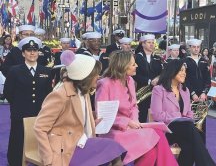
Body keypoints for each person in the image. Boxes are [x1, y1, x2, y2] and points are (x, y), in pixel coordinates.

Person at [34, 50, 126, 166]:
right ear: (85, 76)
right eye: (95, 75)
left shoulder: (84, 91)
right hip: (67, 149)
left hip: (82, 142)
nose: (98, 77)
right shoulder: (60, 95)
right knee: (112, 148)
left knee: (113, 153)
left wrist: (92, 119)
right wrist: (48, 159)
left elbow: (76, 119)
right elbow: (40, 128)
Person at [96, 51, 178, 166]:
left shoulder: (130, 81)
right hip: (113, 131)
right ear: (123, 66)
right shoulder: (105, 84)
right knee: (156, 138)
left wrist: (134, 121)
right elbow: (102, 117)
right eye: (133, 64)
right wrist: (127, 122)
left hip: (130, 128)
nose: (137, 66)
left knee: (155, 140)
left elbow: (134, 106)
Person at [151, 59, 216, 166]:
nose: (184, 73)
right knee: (193, 132)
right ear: (172, 71)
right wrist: (178, 116)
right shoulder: (158, 90)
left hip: (184, 129)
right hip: (167, 129)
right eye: (181, 70)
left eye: (185, 71)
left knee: (189, 145)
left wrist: (189, 117)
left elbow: (189, 112)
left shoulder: (185, 91)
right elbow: (157, 115)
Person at [4, 37, 53, 166]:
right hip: (20, 113)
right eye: (28, 50)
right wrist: (19, 105)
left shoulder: (47, 71)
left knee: (40, 140)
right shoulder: (14, 71)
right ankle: (15, 162)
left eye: (35, 50)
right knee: (18, 140)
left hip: (40, 113)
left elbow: (49, 94)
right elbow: (8, 92)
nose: (32, 53)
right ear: (23, 53)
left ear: (38, 52)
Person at [133, 34, 163, 122]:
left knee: (155, 115)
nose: (152, 45)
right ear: (143, 44)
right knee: (141, 115)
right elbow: (135, 75)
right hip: (142, 91)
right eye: (149, 43)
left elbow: (162, 72)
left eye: (153, 43)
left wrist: (159, 79)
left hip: (156, 91)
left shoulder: (157, 58)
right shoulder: (137, 57)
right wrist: (149, 81)